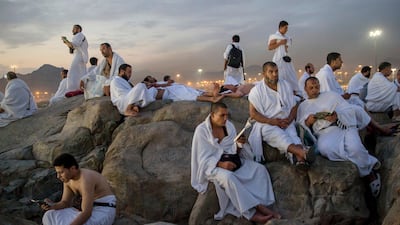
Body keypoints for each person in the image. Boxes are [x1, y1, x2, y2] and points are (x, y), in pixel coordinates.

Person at [191, 102, 280, 223]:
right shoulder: (202, 131)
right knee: (228, 178)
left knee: (260, 169)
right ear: (212, 115)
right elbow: (201, 159)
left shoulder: (229, 126)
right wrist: (221, 164)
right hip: (212, 166)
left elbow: (233, 150)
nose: (225, 118)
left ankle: (264, 202)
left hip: (232, 161)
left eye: (227, 115)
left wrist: (239, 144)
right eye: (222, 115)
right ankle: (253, 212)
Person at [297, 77, 381, 197]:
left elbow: (347, 108)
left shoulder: (331, 95)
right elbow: (301, 126)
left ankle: (370, 176)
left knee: (355, 148)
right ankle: (369, 166)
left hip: (343, 126)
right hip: (324, 133)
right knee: (325, 149)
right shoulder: (303, 106)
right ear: (305, 89)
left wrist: (337, 115)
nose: (314, 90)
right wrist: (308, 122)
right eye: (311, 88)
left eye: (316, 87)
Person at [248, 61, 314, 166]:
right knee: (280, 137)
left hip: (286, 121)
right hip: (268, 124)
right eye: (271, 72)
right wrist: (271, 121)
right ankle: (302, 153)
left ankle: (300, 161)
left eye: (276, 71)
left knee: (293, 136)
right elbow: (253, 114)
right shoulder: (257, 91)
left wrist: (289, 119)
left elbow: (293, 106)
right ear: (264, 73)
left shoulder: (285, 85)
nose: (275, 74)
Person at [41, 153, 116, 225]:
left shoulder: (86, 179)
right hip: (87, 211)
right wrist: (52, 206)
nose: (58, 176)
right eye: (57, 173)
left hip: (103, 212)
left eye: (61, 172)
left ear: (72, 168)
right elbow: (65, 203)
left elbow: (86, 213)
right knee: (49, 215)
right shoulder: (68, 179)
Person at [268, 20, 299, 95]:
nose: (286, 30)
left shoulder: (286, 37)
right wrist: (280, 43)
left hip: (285, 57)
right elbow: (270, 47)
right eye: (285, 28)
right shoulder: (275, 36)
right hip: (278, 58)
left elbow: (286, 48)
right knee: (280, 74)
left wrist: (286, 45)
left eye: (287, 28)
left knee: (290, 74)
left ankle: (292, 91)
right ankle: (280, 91)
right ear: (281, 27)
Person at [143, 75, 224, 103]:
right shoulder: (149, 86)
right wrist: (167, 83)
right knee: (186, 94)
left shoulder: (157, 83)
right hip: (170, 93)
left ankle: (211, 94)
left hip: (171, 89)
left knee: (188, 89)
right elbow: (165, 85)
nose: (152, 78)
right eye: (150, 78)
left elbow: (168, 84)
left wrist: (169, 83)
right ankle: (211, 99)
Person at [61, 24, 89, 92]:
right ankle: (80, 88)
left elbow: (73, 45)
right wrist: (66, 42)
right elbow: (72, 47)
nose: (72, 30)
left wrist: (66, 40)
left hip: (79, 56)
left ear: (79, 29)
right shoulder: (79, 36)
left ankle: (72, 89)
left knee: (72, 73)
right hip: (80, 56)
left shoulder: (79, 35)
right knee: (80, 73)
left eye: (74, 28)